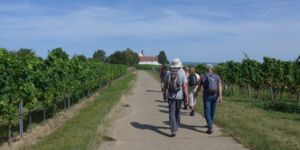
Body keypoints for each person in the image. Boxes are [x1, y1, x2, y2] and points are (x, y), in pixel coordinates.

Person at [163, 58, 188, 137]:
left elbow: (165, 85)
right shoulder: (182, 73)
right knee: (177, 111)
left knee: (171, 112)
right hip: (179, 96)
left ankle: (173, 130)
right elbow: (184, 86)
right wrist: (186, 96)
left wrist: (164, 93)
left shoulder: (168, 73)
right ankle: (176, 126)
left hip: (170, 95)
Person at [196, 64, 222, 134]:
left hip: (207, 96)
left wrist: (196, 93)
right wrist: (220, 96)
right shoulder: (216, 76)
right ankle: (210, 123)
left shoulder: (203, 76)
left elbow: (199, 86)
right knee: (212, 111)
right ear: (212, 69)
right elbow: (219, 86)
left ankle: (210, 127)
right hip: (215, 95)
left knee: (206, 111)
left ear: (206, 69)